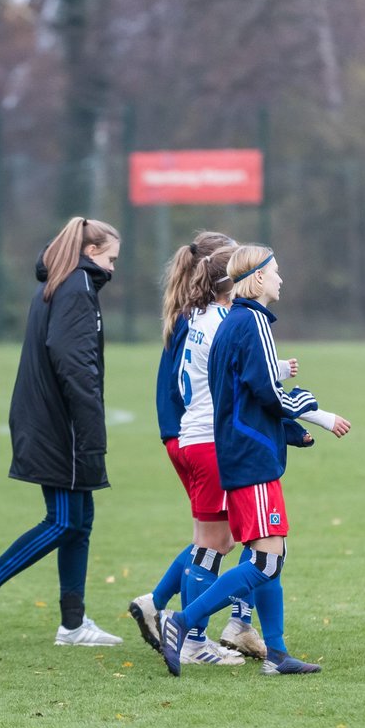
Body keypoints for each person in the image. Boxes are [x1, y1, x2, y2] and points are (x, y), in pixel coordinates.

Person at [160, 244, 351, 676]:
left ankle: (278, 654)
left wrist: (286, 431)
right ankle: (182, 620)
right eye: (277, 271)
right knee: (265, 560)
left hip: (239, 453)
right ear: (260, 278)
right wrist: (320, 415)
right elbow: (267, 390)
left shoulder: (233, 323)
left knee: (271, 554)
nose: (282, 279)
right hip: (251, 458)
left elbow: (243, 394)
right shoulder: (253, 323)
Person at [0, 217, 124, 647]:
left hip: (51, 419)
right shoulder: (76, 288)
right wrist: (89, 431)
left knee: (80, 521)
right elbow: (74, 364)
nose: (114, 269)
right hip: (57, 423)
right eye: (111, 258)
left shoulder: (64, 284)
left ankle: (73, 624)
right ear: (89, 252)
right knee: (64, 520)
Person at [129, 232, 251, 666]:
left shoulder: (188, 315)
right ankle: (194, 634)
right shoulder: (209, 321)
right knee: (216, 541)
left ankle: (157, 603)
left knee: (217, 539)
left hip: (183, 433)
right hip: (197, 436)